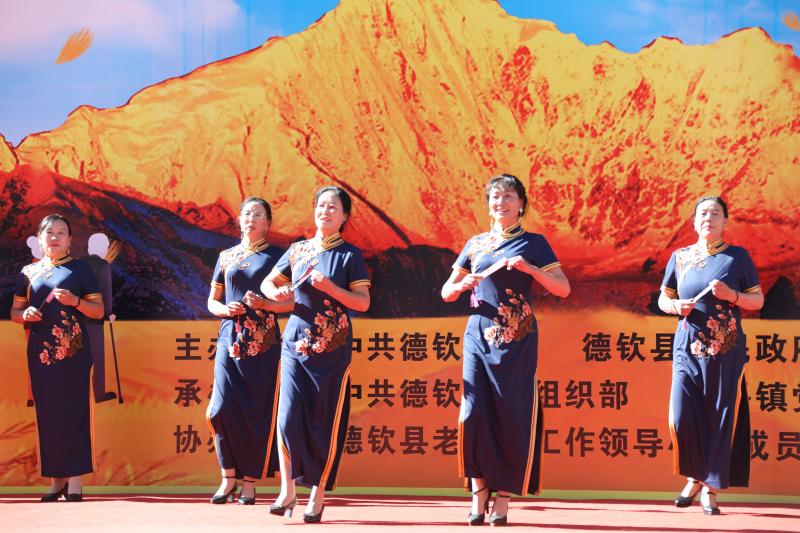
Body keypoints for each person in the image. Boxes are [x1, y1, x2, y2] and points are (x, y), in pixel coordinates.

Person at [441, 174, 570, 526]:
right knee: (473, 412)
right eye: (495, 197)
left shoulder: (533, 243)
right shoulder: (476, 244)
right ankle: (478, 491)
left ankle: (504, 496)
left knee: (511, 413)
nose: (501, 202)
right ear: (488, 205)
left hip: (517, 338)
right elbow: (446, 292)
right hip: (478, 335)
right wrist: (462, 284)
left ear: (521, 204)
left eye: (509, 196)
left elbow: (562, 288)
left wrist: (530, 269)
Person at [261, 186, 370, 523]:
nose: (325, 211)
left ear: (344, 216)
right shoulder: (298, 250)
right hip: (295, 343)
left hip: (332, 348)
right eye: (321, 206)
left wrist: (330, 288)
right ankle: (287, 490)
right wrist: (277, 291)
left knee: (322, 420)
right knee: (287, 416)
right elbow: (267, 283)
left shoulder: (350, 255)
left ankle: (317, 494)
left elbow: (362, 303)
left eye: (333, 207)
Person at [658, 196, 763, 515]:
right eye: (703, 213)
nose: (709, 218)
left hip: (724, 350)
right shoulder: (680, 257)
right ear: (693, 221)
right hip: (687, 348)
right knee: (681, 417)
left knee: (719, 416)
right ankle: (694, 476)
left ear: (725, 222)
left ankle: (709, 489)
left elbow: (757, 300)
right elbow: (663, 298)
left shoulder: (737, 257)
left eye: (716, 213)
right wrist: (675, 306)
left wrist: (732, 295)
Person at [10, 214, 105, 502]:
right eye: (49, 232)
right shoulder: (28, 272)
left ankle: (75, 480)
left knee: (74, 412)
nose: (55, 237)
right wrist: (24, 314)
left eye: (61, 232)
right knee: (48, 415)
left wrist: (75, 301)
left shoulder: (81, 269)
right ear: (40, 238)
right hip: (41, 355)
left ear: (70, 239)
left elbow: (99, 310)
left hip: (74, 353)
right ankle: (56, 480)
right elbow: (15, 312)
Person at [206, 197, 292, 505]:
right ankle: (227, 476)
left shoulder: (278, 257)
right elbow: (212, 301)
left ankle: (249, 482)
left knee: (256, 412)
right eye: (246, 213)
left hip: (263, 342)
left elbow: (292, 302)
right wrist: (225, 310)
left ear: (268, 223)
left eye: (258, 214)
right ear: (239, 220)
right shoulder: (226, 256)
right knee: (219, 409)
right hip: (229, 339)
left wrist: (266, 304)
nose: (251, 218)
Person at [82, 232, 119, 403]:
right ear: (103, 248)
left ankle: (78, 393)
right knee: (97, 357)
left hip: (78, 315)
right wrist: (109, 313)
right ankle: (98, 394)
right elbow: (106, 292)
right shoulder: (103, 266)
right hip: (95, 318)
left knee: (79, 356)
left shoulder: (78, 264)